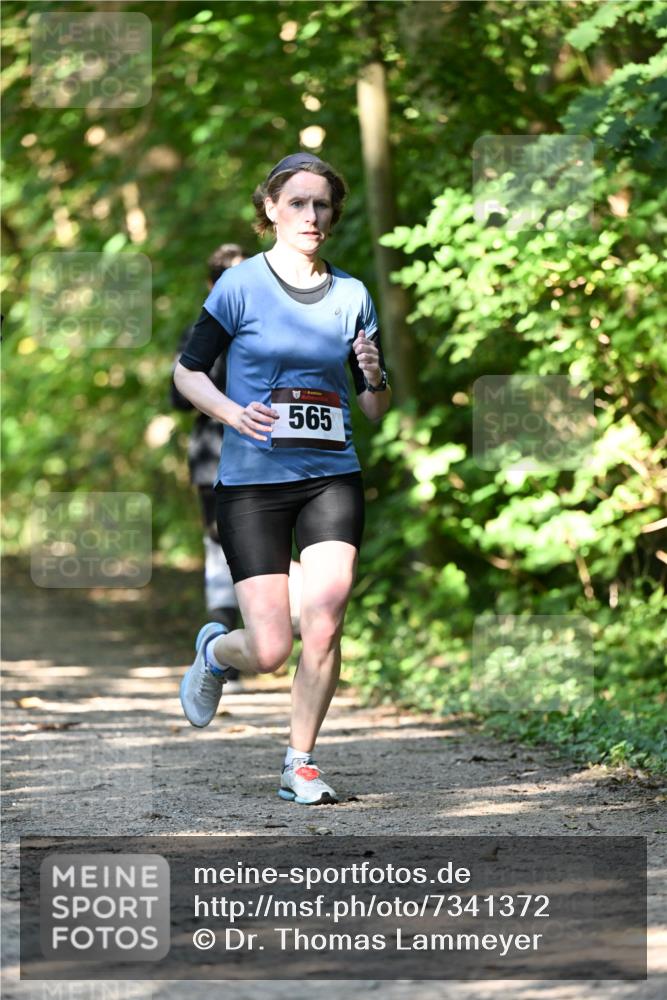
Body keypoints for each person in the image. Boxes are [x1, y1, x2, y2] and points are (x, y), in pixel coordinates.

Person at [173, 151, 391, 805]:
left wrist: (373, 374)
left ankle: (300, 763)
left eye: (321, 204)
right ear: (270, 209)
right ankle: (216, 653)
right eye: (296, 202)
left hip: (332, 475)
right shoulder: (238, 285)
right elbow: (186, 372)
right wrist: (233, 411)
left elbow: (375, 407)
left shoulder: (351, 294)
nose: (311, 215)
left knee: (323, 620)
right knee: (268, 649)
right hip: (251, 481)